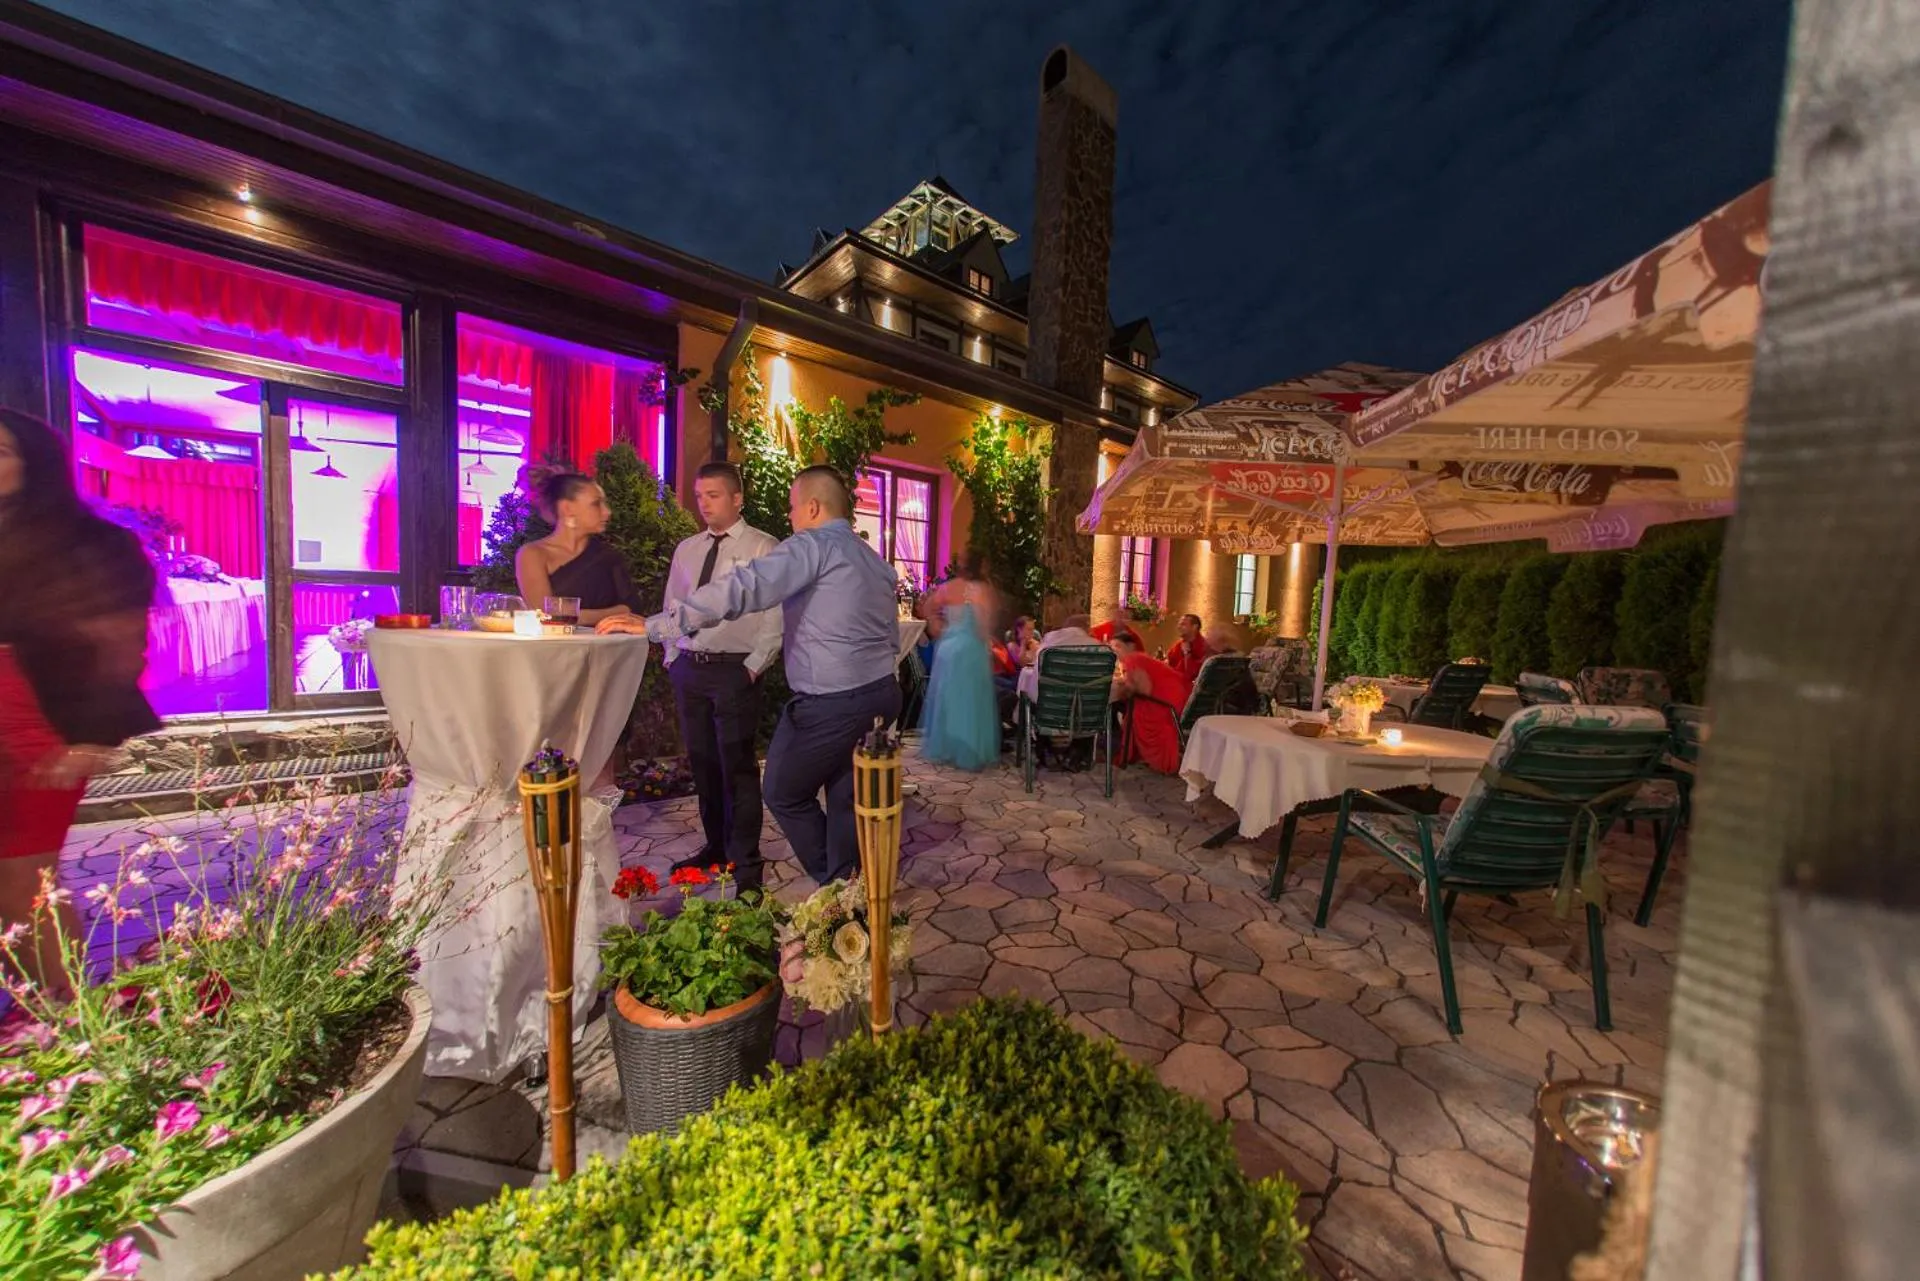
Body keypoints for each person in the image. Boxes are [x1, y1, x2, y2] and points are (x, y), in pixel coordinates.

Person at [599, 467, 899, 885]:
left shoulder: (812, 545)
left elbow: (743, 587)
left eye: (793, 508)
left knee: (783, 790)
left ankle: (838, 892)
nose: (790, 517)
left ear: (812, 507)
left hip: (831, 701)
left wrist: (659, 626)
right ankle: (849, 892)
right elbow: (891, 637)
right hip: (879, 694)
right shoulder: (874, 560)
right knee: (845, 796)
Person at [0, 409, 161, 997]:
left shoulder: (85, 544)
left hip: (34, 716)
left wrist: (94, 731)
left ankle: (64, 1014)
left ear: (35, 464)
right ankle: (35, 1009)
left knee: (23, 875)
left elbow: (120, 646)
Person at [658, 462, 781, 889]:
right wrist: (673, 655)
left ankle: (745, 861)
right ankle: (715, 846)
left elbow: (774, 615)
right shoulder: (687, 549)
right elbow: (673, 603)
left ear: (736, 498)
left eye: (713, 495)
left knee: (739, 768)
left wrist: (753, 667)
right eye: (699, 495)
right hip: (691, 668)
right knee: (704, 765)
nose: (704, 504)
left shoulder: (764, 548)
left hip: (735, 670)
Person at [514, 470, 638, 626]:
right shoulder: (533, 554)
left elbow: (631, 610)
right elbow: (544, 615)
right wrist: (611, 615)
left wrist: (570, 613)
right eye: (596, 504)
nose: (607, 512)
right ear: (567, 508)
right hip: (555, 648)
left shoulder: (609, 557)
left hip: (606, 647)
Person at [917, 555, 1000, 771]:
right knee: (969, 702)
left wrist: (937, 626)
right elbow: (983, 626)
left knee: (949, 700)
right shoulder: (981, 589)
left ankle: (947, 748)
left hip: (948, 649)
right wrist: (988, 644)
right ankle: (967, 751)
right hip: (970, 650)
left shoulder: (949, 587)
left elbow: (927, 606)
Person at [1110, 632, 1191, 775]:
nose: (1115, 650)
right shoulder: (1139, 658)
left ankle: (1124, 751)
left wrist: (1126, 687)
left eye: (1118, 646)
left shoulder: (1132, 659)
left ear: (1131, 646)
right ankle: (1127, 751)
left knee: (1126, 707)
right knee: (1127, 707)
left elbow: (1144, 690)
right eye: (1112, 647)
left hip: (1164, 704)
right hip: (1177, 699)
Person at [1167, 613, 1211, 683]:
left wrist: (1187, 654)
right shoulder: (1178, 645)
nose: (1179, 627)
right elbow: (1170, 665)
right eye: (1179, 624)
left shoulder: (1205, 647)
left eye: (1183, 624)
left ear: (1194, 627)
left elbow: (1194, 673)